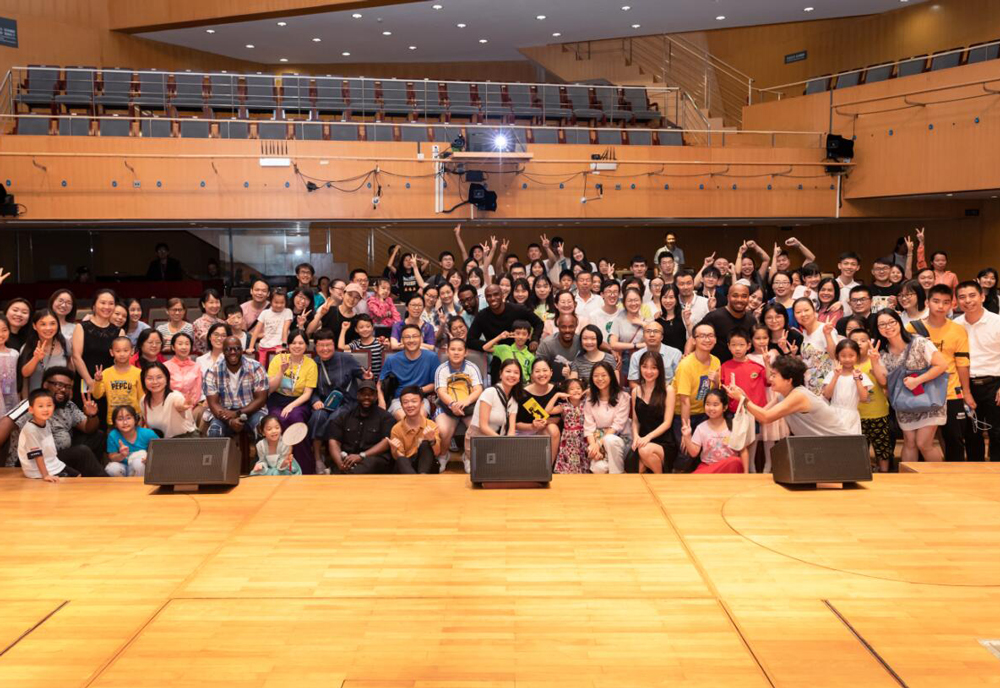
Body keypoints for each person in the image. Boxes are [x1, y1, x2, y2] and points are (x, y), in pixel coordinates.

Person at [905, 284, 972, 462]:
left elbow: (962, 364)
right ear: (927, 302)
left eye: (945, 302)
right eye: (936, 301)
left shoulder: (958, 330)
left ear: (952, 304)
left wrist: (966, 392)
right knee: (921, 441)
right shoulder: (912, 328)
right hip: (922, 391)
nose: (941, 306)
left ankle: (955, 475)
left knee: (954, 439)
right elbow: (905, 360)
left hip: (951, 391)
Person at [874, 309, 949, 462]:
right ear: (877, 328)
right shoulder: (882, 352)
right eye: (882, 324)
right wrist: (874, 361)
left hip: (930, 400)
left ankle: (939, 476)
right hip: (904, 403)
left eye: (891, 322)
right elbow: (883, 382)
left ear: (899, 322)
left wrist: (917, 380)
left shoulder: (919, 342)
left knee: (923, 443)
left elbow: (942, 365)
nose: (888, 327)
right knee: (909, 443)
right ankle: (908, 476)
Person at [725, 355, 860, 437]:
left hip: (840, 444)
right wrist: (743, 396)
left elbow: (766, 417)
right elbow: (761, 415)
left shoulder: (799, 395)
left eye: (774, 375)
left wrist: (742, 398)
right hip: (822, 446)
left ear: (789, 380)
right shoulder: (783, 395)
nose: (770, 379)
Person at [1, 366, 103, 471]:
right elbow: (5, 423)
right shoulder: (32, 404)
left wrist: (92, 415)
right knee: (82, 452)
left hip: (57, 456)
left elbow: (88, 428)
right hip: (33, 461)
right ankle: (101, 480)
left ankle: (87, 476)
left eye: (68, 387)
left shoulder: (68, 406)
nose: (63, 389)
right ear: (45, 385)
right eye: (58, 385)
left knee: (97, 436)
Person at [955, 281, 1000, 463]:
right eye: (962, 297)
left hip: (995, 384)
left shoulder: (997, 322)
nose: (968, 300)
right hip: (966, 385)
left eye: (972, 295)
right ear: (957, 301)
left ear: (982, 296)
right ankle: (975, 472)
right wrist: (964, 391)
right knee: (971, 433)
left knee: (997, 433)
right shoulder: (955, 325)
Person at [309, 328, 366, 469]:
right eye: (321, 345)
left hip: (347, 403)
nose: (325, 349)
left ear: (334, 345)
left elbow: (362, 375)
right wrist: (315, 400)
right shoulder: (313, 363)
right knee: (317, 417)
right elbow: (311, 389)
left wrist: (367, 376)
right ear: (315, 347)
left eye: (328, 345)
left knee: (334, 418)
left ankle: (336, 458)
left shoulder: (346, 359)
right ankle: (317, 458)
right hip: (325, 404)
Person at [18, 389, 104, 480]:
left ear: (53, 407)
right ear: (31, 410)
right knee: (69, 480)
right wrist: (46, 475)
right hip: (36, 470)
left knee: (78, 475)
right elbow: (37, 455)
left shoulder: (45, 423)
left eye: (49, 405)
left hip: (53, 462)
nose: (45, 409)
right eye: (40, 406)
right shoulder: (31, 430)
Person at [265, 330, 318, 473]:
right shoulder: (278, 359)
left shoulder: (311, 364)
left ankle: (305, 468)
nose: (297, 346)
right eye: (293, 343)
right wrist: (281, 372)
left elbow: (307, 394)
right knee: (277, 421)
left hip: (299, 401)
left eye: (301, 343)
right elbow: (270, 388)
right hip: (277, 399)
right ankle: (277, 467)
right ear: (288, 345)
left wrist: (291, 406)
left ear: (306, 345)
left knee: (296, 420)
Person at [467, 285, 543, 379]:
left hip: (522, 355)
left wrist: (534, 339)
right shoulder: (482, 316)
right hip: (499, 357)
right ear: (485, 298)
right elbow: (470, 340)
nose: (493, 298)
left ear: (502, 295)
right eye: (489, 296)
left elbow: (539, 323)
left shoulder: (518, 310)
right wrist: (491, 343)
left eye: (496, 294)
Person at [204, 337, 269, 441]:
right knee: (215, 431)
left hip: (252, 411)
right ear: (223, 351)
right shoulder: (212, 371)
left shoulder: (256, 367)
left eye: (237, 348)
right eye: (228, 349)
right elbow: (213, 404)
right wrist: (229, 421)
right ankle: (221, 453)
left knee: (262, 429)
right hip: (224, 412)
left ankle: (261, 452)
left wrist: (237, 413)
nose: (233, 352)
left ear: (242, 350)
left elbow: (261, 399)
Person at [433, 337, 484, 472]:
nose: (456, 352)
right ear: (447, 351)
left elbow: (478, 389)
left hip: (469, 406)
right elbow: (441, 391)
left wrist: (466, 402)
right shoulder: (441, 369)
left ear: (465, 352)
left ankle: (468, 457)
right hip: (447, 407)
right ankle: (443, 455)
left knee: (477, 429)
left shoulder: (472, 367)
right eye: (453, 349)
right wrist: (453, 405)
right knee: (443, 430)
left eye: (460, 350)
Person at [848, 329, 893, 473]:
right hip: (856, 415)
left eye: (863, 340)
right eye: (855, 340)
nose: (859, 343)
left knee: (882, 450)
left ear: (870, 343)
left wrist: (875, 362)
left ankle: (884, 474)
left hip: (878, 413)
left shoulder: (876, 360)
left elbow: (884, 382)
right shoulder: (847, 364)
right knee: (858, 450)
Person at [326, 379, 394, 474]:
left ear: (376, 396)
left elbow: (386, 442)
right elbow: (334, 441)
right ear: (357, 395)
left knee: (369, 465)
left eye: (370, 394)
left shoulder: (386, 417)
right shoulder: (344, 416)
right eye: (363, 394)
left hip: (373, 459)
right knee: (339, 466)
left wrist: (362, 456)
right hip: (348, 458)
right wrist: (340, 463)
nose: (366, 397)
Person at [464, 358, 522, 470]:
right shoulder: (490, 392)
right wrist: (502, 442)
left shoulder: (513, 400)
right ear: (500, 374)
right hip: (479, 439)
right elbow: (483, 426)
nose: (512, 375)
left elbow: (511, 430)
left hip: (498, 441)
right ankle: (467, 458)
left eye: (516, 372)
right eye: (508, 371)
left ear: (519, 378)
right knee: (481, 472)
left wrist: (508, 445)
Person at [719, 330, 767, 459]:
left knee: (751, 441)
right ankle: (737, 467)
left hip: (752, 411)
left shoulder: (757, 367)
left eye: (741, 345)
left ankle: (749, 467)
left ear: (748, 345)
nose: (737, 348)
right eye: (734, 345)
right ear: (728, 346)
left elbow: (769, 382)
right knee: (734, 442)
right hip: (733, 412)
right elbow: (722, 388)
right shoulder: (725, 366)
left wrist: (767, 363)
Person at [378, 323, 439, 420]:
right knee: (405, 419)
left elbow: (436, 384)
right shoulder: (392, 360)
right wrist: (381, 401)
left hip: (421, 398)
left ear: (421, 339)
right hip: (398, 400)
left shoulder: (432, 357)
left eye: (415, 336)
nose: (411, 340)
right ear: (402, 340)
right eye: (407, 337)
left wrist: (418, 390)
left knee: (419, 418)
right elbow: (380, 383)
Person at [673, 322, 721, 442]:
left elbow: (715, 393)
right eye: (702, 336)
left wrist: (716, 381)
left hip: (705, 413)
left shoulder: (716, 361)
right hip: (683, 415)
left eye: (710, 336)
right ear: (694, 340)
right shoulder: (685, 365)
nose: (707, 339)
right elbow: (684, 401)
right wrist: (685, 430)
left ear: (715, 339)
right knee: (686, 450)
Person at [631, 351, 677, 473]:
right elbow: (635, 421)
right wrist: (636, 437)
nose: (648, 371)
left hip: (664, 442)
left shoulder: (668, 390)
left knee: (644, 451)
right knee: (636, 471)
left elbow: (667, 423)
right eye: (645, 366)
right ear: (640, 367)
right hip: (642, 440)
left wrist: (648, 437)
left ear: (660, 369)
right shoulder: (635, 391)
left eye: (653, 368)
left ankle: (660, 480)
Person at [680, 388, 747, 473]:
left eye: (715, 405)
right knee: (692, 479)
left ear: (725, 407)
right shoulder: (701, 427)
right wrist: (687, 437)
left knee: (735, 461)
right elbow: (694, 453)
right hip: (708, 467)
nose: (711, 408)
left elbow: (743, 451)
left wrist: (746, 474)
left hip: (730, 469)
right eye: (708, 404)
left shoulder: (734, 426)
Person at [748, 324, 785, 473]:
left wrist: (767, 362)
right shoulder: (748, 357)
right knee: (754, 433)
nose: (762, 341)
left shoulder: (774, 353)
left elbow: (771, 379)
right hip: (757, 395)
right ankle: (751, 467)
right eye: (757, 338)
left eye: (765, 337)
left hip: (772, 394)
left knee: (770, 433)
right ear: (751, 340)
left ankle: (768, 467)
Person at [584, 361, 631, 474]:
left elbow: (617, 425)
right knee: (598, 469)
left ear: (611, 376)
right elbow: (589, 428)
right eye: (596, 376)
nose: (599, 379)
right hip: (598, 440)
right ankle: (618, 473)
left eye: (603, 375)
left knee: (610, 440)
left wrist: (599, 444)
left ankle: (617, 477)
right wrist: (593, 447)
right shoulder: (590, 400)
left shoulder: (623, 397)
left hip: (620, 439)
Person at [822, 339, 872, 435]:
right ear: (837, 356)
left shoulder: (861, 375)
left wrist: (857, 379)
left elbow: (864, 398)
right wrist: (836, 376)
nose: (847, 359)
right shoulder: (832, 374)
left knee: (850, 442)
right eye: (843, 356)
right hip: (833, 414)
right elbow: (827, 395)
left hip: (851, 417)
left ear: (857, 356)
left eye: (851, 355)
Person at [18, 309, 72, 397]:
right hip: (37, 399)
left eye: (52, 323)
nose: (48, 328)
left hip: (59, 399)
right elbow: (25, 373)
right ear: (34, 326)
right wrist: (36, 358)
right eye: (43, 324)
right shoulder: (28, 347)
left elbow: (70, 371)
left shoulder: (64, 343)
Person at [388, 386, 442, 474]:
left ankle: (421, 477)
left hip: (426, 467)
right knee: (401, 460)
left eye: (414, 401)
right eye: (405, 402)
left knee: (425, 445)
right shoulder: (396, 429)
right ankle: (417, 479)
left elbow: (437, 453)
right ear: (401, 406)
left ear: (422, 404)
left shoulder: (431, 425)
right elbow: (400, 459)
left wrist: (432, 440)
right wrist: (395, 450)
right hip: (406, 467)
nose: (410, 405)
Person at [793, 298, 841, 396]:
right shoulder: (804, 333)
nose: (803, 314)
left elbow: (835, 356)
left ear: (814, 310)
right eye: (798, 312)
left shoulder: (825, 329)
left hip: (826, 386)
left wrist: (827, 334)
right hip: (810, 385)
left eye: (806, 310)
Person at [515, 358, 561, 459]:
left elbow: (558, 417)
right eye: (537, 371)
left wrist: (545, 422)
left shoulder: (556, 390)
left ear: (551, 372)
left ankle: (549, 466)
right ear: (532, 375)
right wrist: (532, 426)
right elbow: (515, 424)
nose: (541, 374)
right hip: (524, 430)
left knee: (553, 429)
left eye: (545, 370)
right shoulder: (523, 394)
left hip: (543, 429)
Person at [91, 336, 142, 426]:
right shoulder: (106, 373)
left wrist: (142, 419)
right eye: (118, 351)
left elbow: (142, 398)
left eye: (125, 350)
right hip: (113, 420)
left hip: (134, 420)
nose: (122, 354)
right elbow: (97, 395)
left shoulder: (138, 373)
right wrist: (97, 381)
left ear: (132, 351)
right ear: (112, 352)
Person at [698, 282, 755, 363]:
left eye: (744, 296)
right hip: (715, 367)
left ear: (748, 298)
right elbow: (695, 336)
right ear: (728, 297)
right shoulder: (714, 316)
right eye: (735, 296)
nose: (739, 299)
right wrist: (687, 355)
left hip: (741, 367)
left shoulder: (751, 320)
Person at [140, 362, 198, 439]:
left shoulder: (175, 396)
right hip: (161, 442)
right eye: (150, 378)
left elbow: (179, 404)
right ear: (143, 381)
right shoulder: (144, 400)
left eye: (159, 377)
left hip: (185, 440)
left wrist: (183, 406)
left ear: (167, 379)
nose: (155, 382)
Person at [105, 405, 158, 477]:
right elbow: (112, 457)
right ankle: (122, 484)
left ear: (135, 420)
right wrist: (121, 455)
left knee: (139, 463)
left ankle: (139, 484)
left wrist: (149, 458)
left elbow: (161, 449)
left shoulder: (147, 433)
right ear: (115, 424)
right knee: (112, 468)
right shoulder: (113, 435)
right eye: (120, 419)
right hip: (122, 467)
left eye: (128, 418)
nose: (125, 422)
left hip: (140, 468)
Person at [549, 378, 588, 473]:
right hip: (569, 440)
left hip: (584, 438)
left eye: (578, 388)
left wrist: (589, 392)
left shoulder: (587, 403)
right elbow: (547, 411)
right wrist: (557, 395)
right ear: (566, 392)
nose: (576, 391)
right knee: (571, 464)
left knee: (584, 464)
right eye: (572, 389)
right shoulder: (564, 406)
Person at [627, 321, 681, 386]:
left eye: (656, 331)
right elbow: (633, 382)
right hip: (644, 391)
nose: (652, 335)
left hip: (668, 390)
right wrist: (644, 391)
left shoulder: (675, 354)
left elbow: (680, 380)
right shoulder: (636, 356)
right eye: (648, 331)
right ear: (643, 336)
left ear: (662, 337)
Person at [608, 287, 646, 377]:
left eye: (636, 300)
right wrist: (636, 345)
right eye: (630, 301)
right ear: (624, 303)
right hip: (625, 360)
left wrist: (643, 324)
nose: (633, 303)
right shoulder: (618, 320)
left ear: (641, 301)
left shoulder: (647, 320)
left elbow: (655, 337)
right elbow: (613, 344)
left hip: (643, 360)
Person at [248, 288, 292, 365]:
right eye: (276, 302)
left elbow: (285, 330)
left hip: (279, 347)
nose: (279, 305)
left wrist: (284, 347)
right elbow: (256, 331)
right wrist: (251, 347)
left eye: (282, 302)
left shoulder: (287, 312)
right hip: (264, 347)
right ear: (271, 301)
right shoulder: (265, 313)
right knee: (261, 367)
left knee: (279, 368)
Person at [537, 312, 581, 381]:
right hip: (551, 383)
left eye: (571, 327)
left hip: (576, 384)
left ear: (576, 326)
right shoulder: (547, 344)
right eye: (563, 327)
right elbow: (537, 367)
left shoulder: (581, 342)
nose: (567, 330)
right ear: (558, 327)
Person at [915, 227, 959, 295]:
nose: (940, 262)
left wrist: (952, 302)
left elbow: (956, 292)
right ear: (932, 262)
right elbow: (921, 261)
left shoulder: (952, 276)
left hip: (947, 301)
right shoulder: (928, 274)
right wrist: (921, 243)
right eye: (937, 260)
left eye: (943, 260)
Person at [344, 314, 385, 379]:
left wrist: (387, 345)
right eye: (361, 327)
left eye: (368, 326)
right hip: (362, 380)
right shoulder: (356, 343)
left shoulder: (379, 342)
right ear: (356, 329)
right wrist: (344, 329)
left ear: (372, 327)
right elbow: (341, 347)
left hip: (379, 380)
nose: (365, 329)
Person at [655, 284, 688, 353]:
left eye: (671, 297)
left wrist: (688, 322)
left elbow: (692, 336)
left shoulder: (684, 315)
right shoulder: (658, 318)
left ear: (677, 299)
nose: (668, 301)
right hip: (663, 357)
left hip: (682, 356)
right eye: (665, 297)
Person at [191, 289, 223, 354]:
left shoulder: (222, 323)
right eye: (211, 302)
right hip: (203, 358)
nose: (215, 305)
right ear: (203, 304)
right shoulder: (198, 323)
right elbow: (209, 339)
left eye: (217, 302)